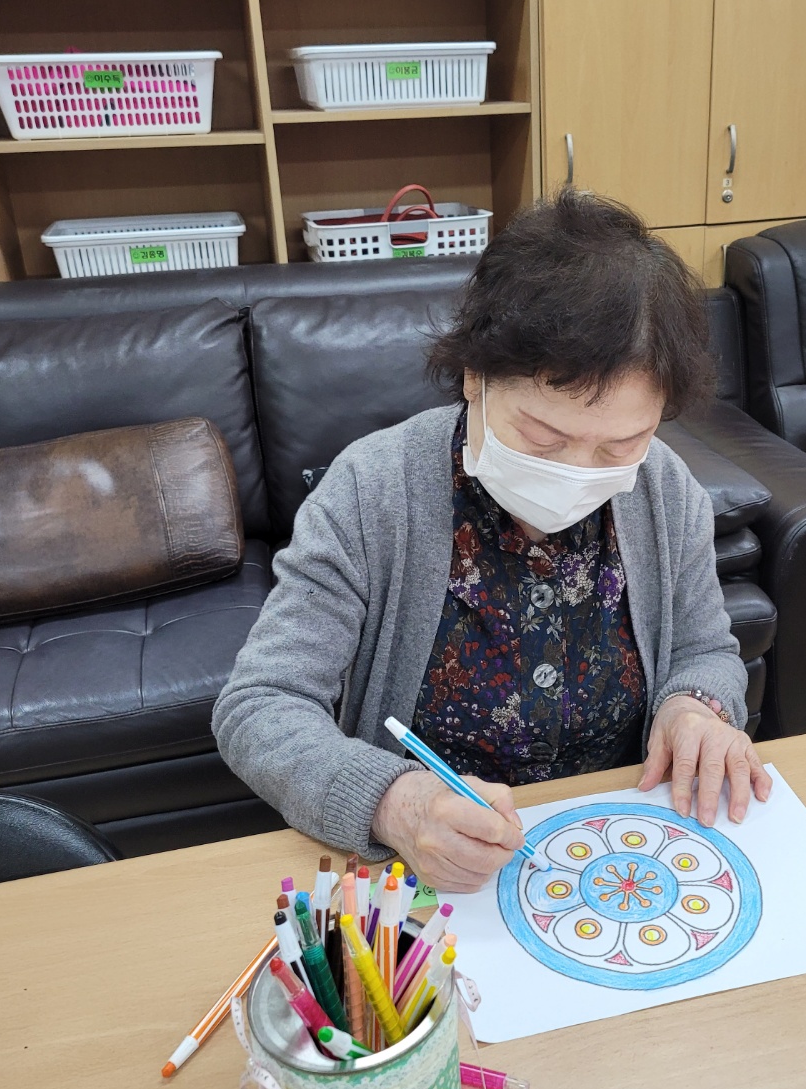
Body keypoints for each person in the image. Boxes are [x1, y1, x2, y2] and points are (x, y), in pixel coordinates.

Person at [213, 189, 770, 893]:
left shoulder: (663, 488)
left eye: (620, 444)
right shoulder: (372, 491)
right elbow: (260, 705)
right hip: (435, 889)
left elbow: (705, 650)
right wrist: (394, 802)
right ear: (475, 377)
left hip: (612, 854)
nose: (578, 472)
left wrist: (695, 706)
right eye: (543, 437)